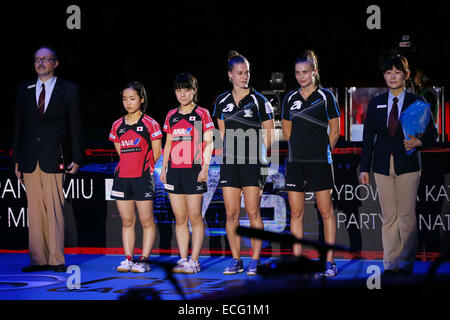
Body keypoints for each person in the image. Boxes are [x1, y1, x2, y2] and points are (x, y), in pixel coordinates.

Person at [359, 55, 438, 276]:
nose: (392, 76)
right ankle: (390, 265)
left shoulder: (417, 102)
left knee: (406, 216)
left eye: (397, 71)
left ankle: (405, 264)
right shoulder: (376, 103)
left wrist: (418, 142)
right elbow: (368, 139)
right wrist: (364, 168)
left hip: (409, 165)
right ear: (384, 76)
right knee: (389, 216)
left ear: (406, 75)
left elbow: (433, 133)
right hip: (383, 167)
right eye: (388, 72)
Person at [13, 46, 83, 272]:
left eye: (46, 59)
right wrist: (17, 160)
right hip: (29, 158)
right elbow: (19, 127)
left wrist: (78, 157)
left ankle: (55, 259)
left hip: (55, 156)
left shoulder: (69, 89)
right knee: (33, 211)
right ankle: (38, 259)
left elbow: (75, 126)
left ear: (55, 63)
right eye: (37, 59)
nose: (41, 63)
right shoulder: (24, 89)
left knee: (54, 210)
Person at [213, 51, 275, 275]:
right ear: (230, 75)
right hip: (230, 163)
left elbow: (269, 134)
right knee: (231, 214)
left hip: (253, 163)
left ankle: (255, 261)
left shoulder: (260, 100)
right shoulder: (221, 101)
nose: (244, 76)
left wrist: (260, 157)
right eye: (239, 73)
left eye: (247, 72)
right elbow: (222, 133)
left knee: (253, 212)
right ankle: (236, 260)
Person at [281, 50, 341, 277]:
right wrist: (301, 147)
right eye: (297, 73)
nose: (301, 76)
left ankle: (329, 261)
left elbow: (334, 131)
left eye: (305, 72)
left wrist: (321, 151)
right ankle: (297, 261)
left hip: (320, 162)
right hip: (296, 162)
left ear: (314, 72)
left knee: (326, 212)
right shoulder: (289, 98)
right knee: (296, 213)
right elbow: (287, 131)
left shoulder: (327, 96)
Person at [160, 73, 214, 274]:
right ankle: (183, 259)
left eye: (187, 90)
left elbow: (208, 142)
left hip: (194, 170)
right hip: (174, 171)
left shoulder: (202, 114)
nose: (182, 94)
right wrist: (164, 166)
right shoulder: (171, 115)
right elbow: (168, 143)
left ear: (194, 90)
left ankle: (195, 260)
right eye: (179, 90)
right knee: (180, 217)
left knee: (195, 217)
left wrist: (205, 167)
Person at [109, 81, 162, 273]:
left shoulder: (150, 124)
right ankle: (128, 258)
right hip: (122, 178)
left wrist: (145, 168)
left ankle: (144, 259)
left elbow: (156, 153)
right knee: (127, 221)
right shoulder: (117, 126)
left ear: (141, 99)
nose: (128, 103)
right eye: (125, 99)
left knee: (146, 221)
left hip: (143, 178)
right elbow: (121, 154)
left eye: (132, 98)